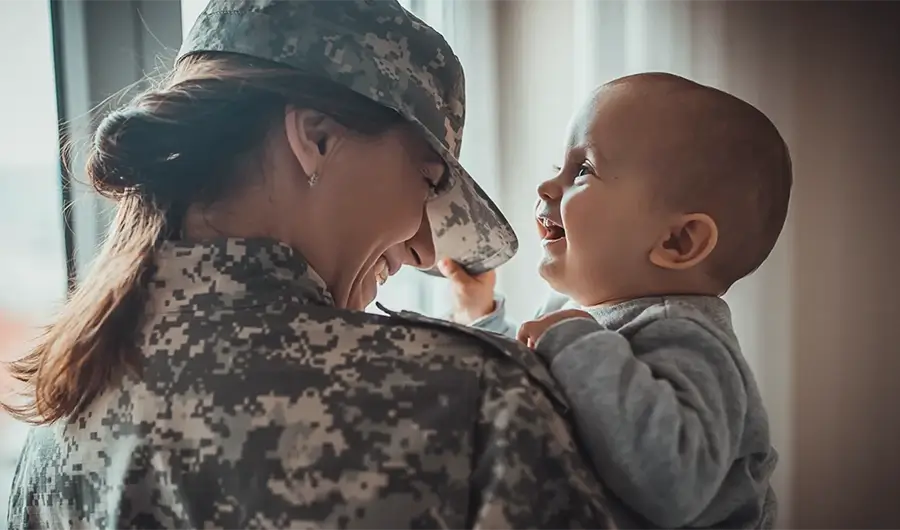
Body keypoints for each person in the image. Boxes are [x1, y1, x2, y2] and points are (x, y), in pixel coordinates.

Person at [3, 1, 617, 528]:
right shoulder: (468, 404)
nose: (429, 251)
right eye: (426, 180)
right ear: (316, 138)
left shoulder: (60, 418)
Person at [440, 72, 790, 530]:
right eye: (558, 168)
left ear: (679, 240)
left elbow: (673, 483)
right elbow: (540, 385)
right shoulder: (578, 321)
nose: (547, 188)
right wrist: (483, 318)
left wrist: (573, 342)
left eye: (582, 171)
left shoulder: (686, 337)